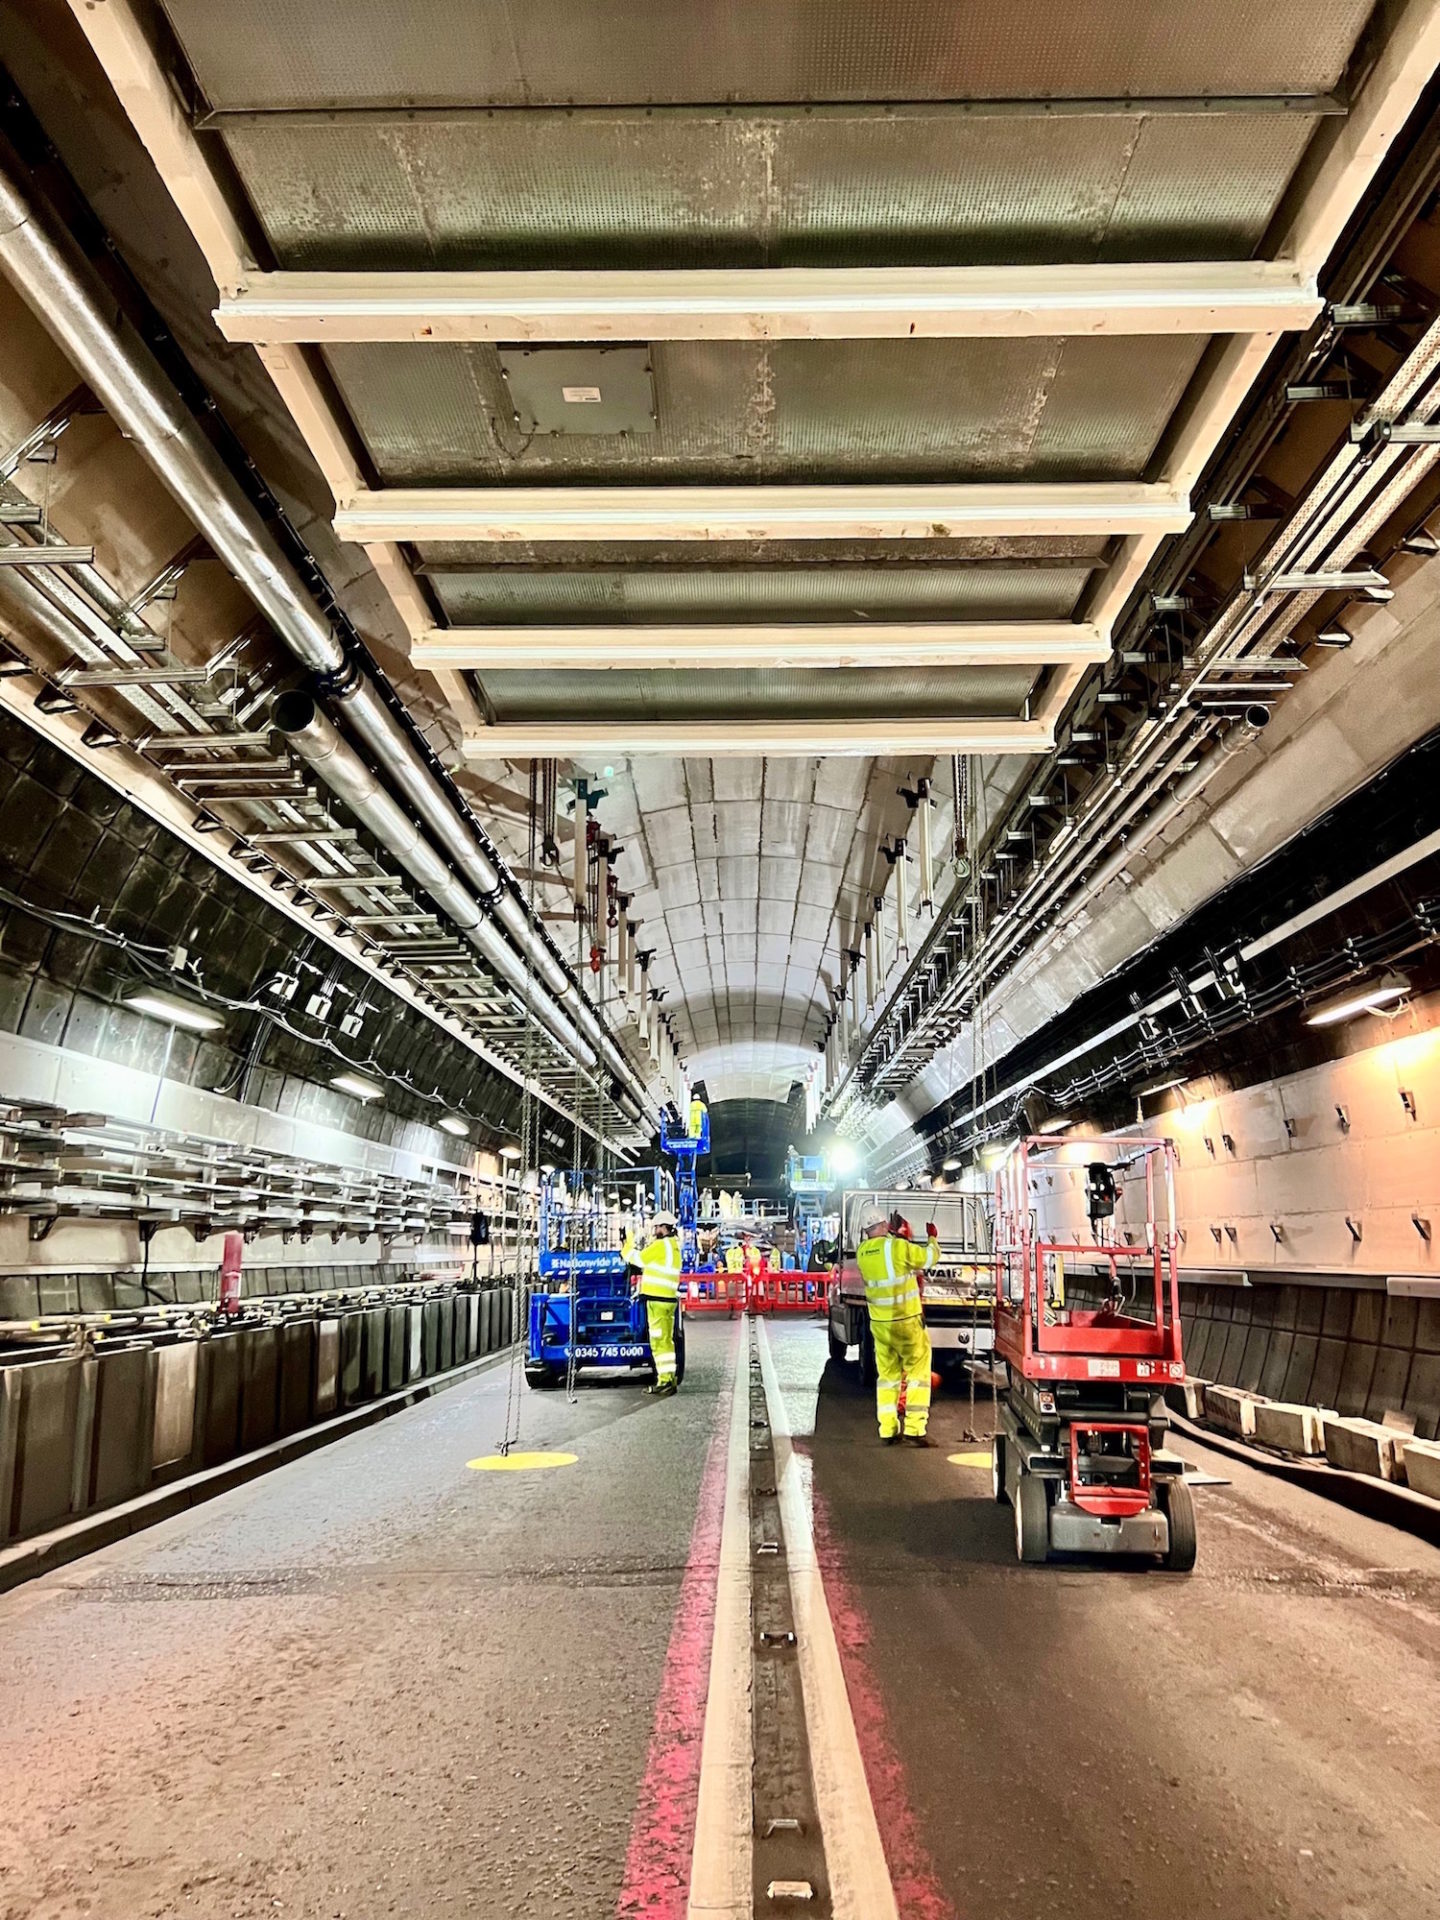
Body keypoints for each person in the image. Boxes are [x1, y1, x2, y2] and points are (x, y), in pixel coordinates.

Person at [855, 1206, 939, 1446]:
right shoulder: (898, 1248)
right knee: (918, 1373)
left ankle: (888, 1429)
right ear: (884, 1225)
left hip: (880, 1326)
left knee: (888, 1377)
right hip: (906, 1322)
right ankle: (915, 1427)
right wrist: (932, 1237)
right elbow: (929, 1258)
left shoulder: (862, 1253)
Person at [623, 1210, 683, 1398]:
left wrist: (627, 1246)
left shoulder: (661, 1246)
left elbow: (638, 1259)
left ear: (664, 1228)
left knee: (658, 1342)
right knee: (667, 1341)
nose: (654, 1230)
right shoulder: (673, 1246)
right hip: (668, 1300)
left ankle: (664, 1382)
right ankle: (669, 1378)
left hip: (657, 1301)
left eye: (657, 1227)